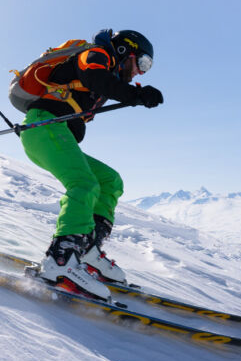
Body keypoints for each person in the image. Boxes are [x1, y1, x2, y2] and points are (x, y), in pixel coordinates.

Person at [19, 29, 163, 300]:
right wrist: (135, 95)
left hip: (56, 134)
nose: (140, 73)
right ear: (125, 51)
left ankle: (86, 251)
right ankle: (61, 261)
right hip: (44, 126)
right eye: (141, 63)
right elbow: (95, 77)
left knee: (109, 180)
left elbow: (101, 84)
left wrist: (133, 94)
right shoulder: (95, 54)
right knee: (84, 183)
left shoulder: (109, 71)